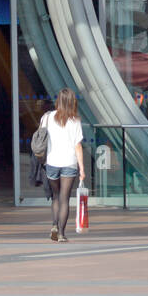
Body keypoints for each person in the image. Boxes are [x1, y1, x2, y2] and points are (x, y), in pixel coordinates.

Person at [41, 88, 85, 242]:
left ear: (58, 100)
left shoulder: (47, 117)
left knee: (55, 197)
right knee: (64, 199)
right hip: (69, 163)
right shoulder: (75, 120)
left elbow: (41, 138)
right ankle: (61, 234)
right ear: (72, 102)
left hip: (52, 162)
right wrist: (82, 169)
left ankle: (54, 224)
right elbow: (77, 146)